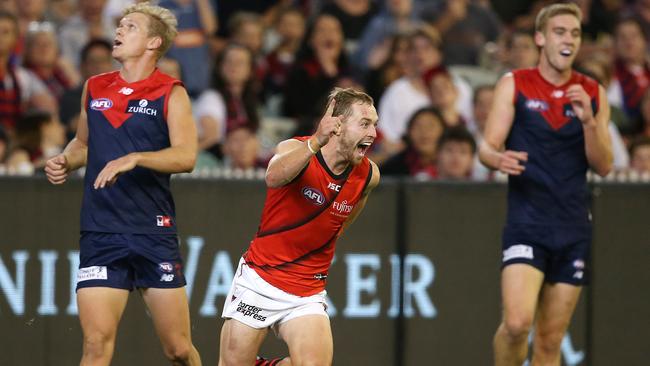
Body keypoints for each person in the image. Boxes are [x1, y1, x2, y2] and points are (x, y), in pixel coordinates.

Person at [44, 3, 201, 365]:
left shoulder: (170, 92)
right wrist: (65, 160)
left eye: (130, 26)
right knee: (96, 345)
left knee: (178, 350)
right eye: (120, 24)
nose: (119, 30)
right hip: (101, 232)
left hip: (153, 232)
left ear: (153, 43)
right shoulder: (94, 87)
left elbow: (186, 156)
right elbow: (82, 144)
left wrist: (137, 158)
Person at [478, 3, 612, 365]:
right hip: (527, 222)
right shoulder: (515, 84)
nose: (568, 39)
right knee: (518, 324)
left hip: (572, 226)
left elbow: (604, 165)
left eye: (574, 33)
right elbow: (487, 147)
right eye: (559, 31)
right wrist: (497, 158)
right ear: (540, 38)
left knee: (551, 341)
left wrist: (590, 121)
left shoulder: (592, 92)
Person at [218, 87, 380, 366]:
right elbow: (273, 177)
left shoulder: (368, 176)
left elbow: (342, 223)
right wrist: (317, 140)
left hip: (306, 291)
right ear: (337, 126)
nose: (373, 133)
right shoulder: (295, 149)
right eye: (364, 124)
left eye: (375, 124)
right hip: (261, 280)